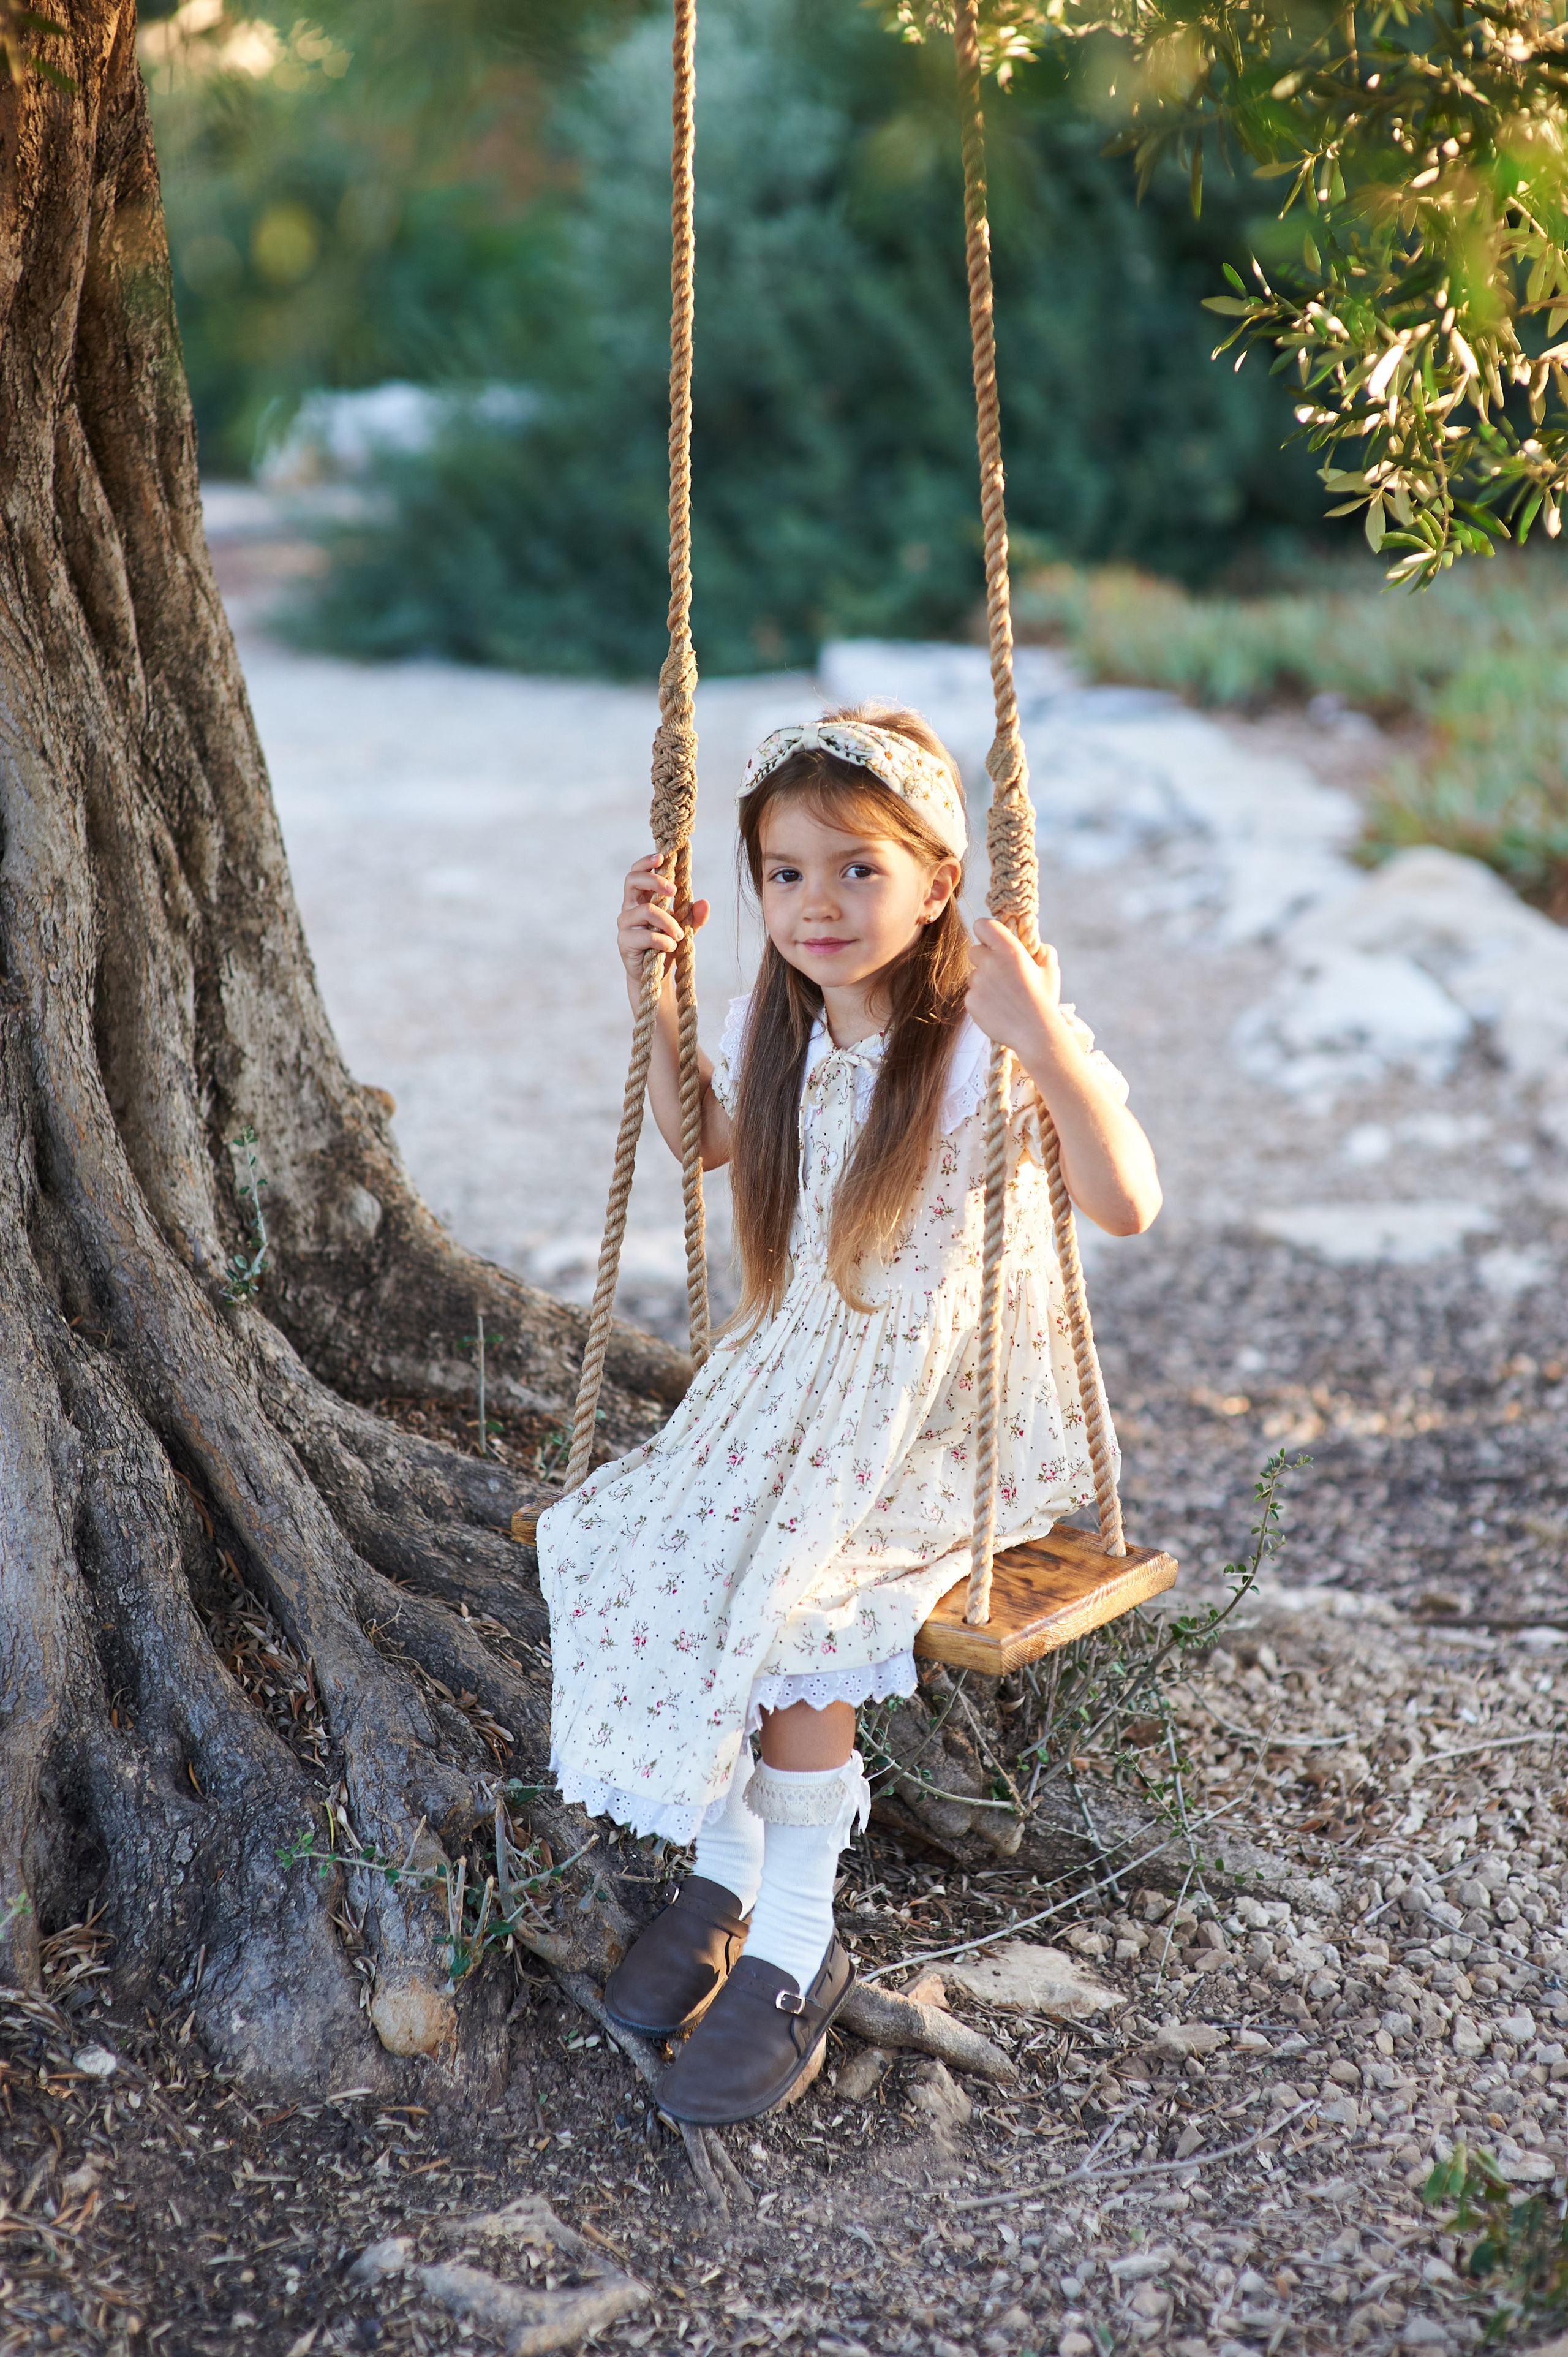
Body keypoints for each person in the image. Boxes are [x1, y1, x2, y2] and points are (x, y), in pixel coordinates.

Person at [537, 704, 1161, 2124]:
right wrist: (655, 988)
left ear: (937, 881)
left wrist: (1043, 1035)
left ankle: (797, 1942)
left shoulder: (976, 1047)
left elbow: (1126, 1200)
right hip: (797, 1381)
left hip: (933, 1420)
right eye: (783, 873)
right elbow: (703, 1141)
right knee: (649, 1535)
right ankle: (724, 1868)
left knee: (805, 1611)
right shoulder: (797, 1025)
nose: (816, 905)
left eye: (857, 871)